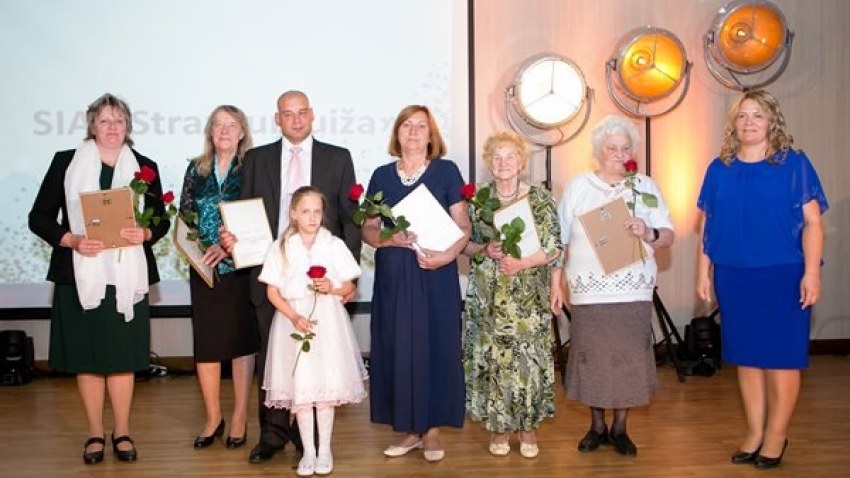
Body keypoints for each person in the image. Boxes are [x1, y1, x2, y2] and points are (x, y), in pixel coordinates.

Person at [220, 90, 361, 464]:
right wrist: (233, 237)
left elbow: (351, 221)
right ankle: (272, 434)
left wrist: (347, 281)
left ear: (311, 115)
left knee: (318, 362)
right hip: (273, 279)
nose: (295, 119)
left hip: (321, 286)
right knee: (275, 358)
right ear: (277, 119)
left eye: (301, 112)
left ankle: (310, 441)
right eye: (287, 113)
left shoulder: (338, 158)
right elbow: (243, 212)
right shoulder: (256, 159)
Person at [28, 93, 170, 464]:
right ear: (92, 125)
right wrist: (72, 240)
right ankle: (94, 433)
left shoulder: (145, 167)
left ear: (128, 126)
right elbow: (38, 218)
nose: (111, 127)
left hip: (127, 278)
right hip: (79, 276)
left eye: (118, 120)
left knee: (122, 359)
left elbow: (161, 220)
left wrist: (145, 233)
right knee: (87, 359)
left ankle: (122, 432)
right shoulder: (65, 162)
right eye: (104, 120)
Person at [696, 90, 827, 470]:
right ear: (733, 124)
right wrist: (703, 271)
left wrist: (811, 273)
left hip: (783, 275)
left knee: (782, 360)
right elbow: (708, 224)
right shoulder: (718, 168)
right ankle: (754, 433)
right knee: (747, 359)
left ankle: (776, 436)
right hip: (734, 276)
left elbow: (813, 223)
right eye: (742, 115)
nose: (749, 122)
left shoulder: (793, 164)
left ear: (772, 122)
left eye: (758, 115)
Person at [556, 115, 674, 456]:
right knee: (592, 359)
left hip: (632, 290)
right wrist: (556, 282)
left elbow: (668, 235)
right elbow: (560, 240)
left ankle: (620, 428)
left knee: (627, 359)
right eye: (612, 148)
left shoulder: (645, 187)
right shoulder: (578, 187)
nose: (619, 155)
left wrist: (647, 231)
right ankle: (597, 427)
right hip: (589, 291)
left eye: (625, 149)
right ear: (598, 151)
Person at [363, 105, 471, 462]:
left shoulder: (446, 171)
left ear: (431, 134)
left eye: (420, 126)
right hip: (395, 276)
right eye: (406, 125)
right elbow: (368, 228)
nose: (413, 131)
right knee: (399, 349)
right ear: (397, 133)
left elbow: (463, 225)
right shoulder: (381, 175)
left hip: (435, 273)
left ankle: (432, 431)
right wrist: (389, 238)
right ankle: (410, 430)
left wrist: (448, 256)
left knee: (435, 347)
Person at [462, 131, 563, 458]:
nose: (503, 163)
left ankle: (528, 429)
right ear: (489, 163)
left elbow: (554, 247)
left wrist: (524, 263)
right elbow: (463, 244)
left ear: (521, 163)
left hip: (527, 298)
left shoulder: (540, 198)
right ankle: (499, 429)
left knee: (527, 363)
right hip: (488, 299)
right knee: (495, 362)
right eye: (497, 157)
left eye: (510, 157)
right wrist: (484, 249)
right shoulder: (478, 200)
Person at [259, 186, 367, 476]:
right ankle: (307, 451)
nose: (312, 217)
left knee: (325, 388)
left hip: (327, 323)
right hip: (292, 323)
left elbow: (349, 285)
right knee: (302, 391)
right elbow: (272, 292)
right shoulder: (281, 247)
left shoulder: (333, 245)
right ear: (293, 213)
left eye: (317, 211)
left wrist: (333, 286)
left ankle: (325, 450)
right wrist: (293, 316)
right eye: (305, 211)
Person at [178, 105, 259, 449]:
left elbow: (260, 215)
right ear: (210, 132)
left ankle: (239, 416)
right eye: (218, 125)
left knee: (242, 343)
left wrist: (230, 247)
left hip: (242, 268)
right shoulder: (195, 169)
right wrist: (199, 248)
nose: (224, 130)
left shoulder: (253, 167)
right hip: (205, 269)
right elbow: (185, 216)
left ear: (242, 132)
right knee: (207, 345)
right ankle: (213, 417)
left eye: (231, 124)